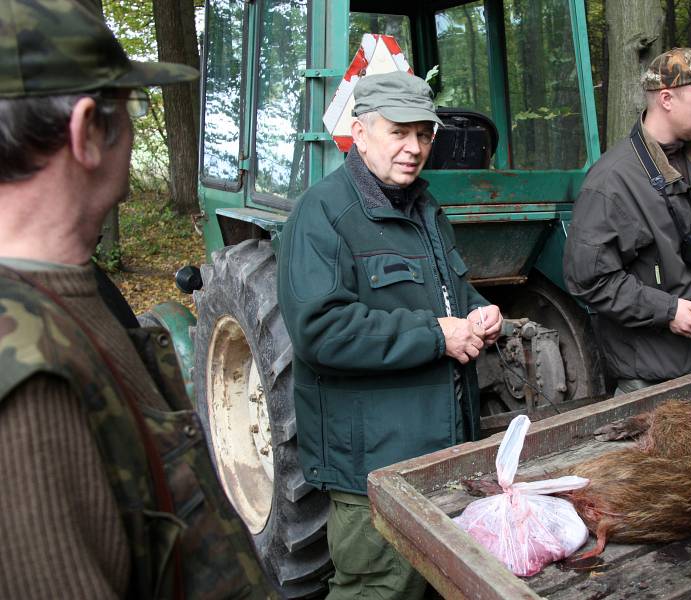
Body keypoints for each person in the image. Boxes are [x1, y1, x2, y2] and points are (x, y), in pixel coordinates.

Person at [0, 1, 274, 597]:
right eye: (131, 107)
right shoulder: (25, 381)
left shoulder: (74, 294)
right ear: (86, 132)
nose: (132, 127)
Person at [277, 70, 503, 599]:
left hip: (440, 453)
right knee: (381, 588)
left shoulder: (424, 207)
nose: (414, 148)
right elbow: (321, 332)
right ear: (360, 132)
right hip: (374, 466)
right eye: (398, 132)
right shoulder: (323, 213)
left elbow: (450, 292)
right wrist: (437, 335)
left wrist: (480, 312)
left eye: (423, 134)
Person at [564, 48, 691, 396]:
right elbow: (588, 279)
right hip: (652, 378)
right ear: (666, 99)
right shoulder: (612, 181)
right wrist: (668, 310)